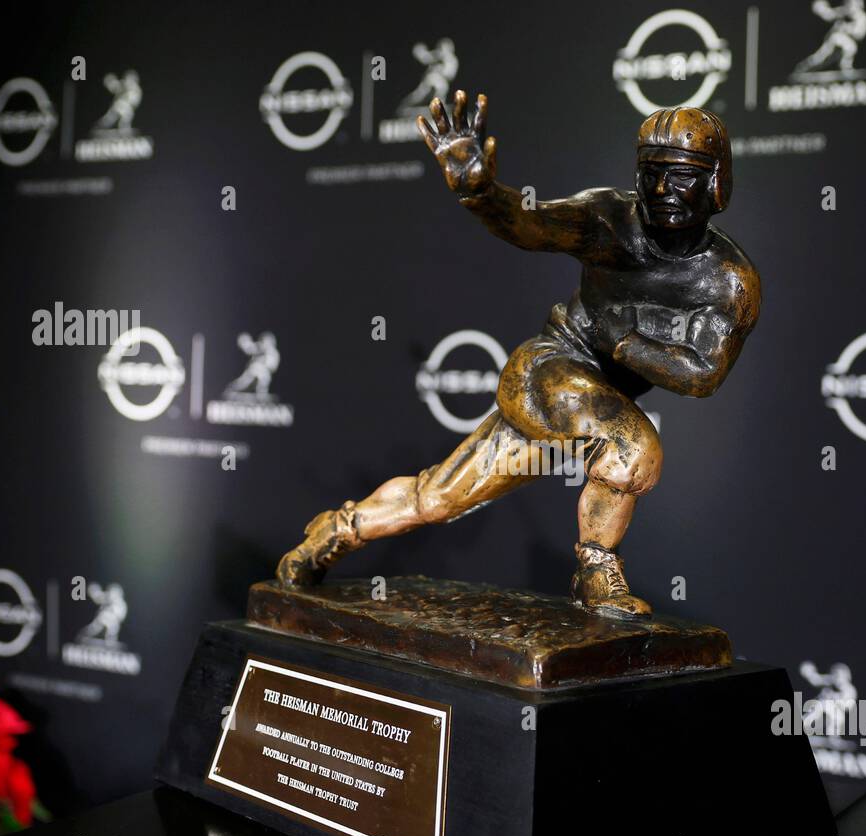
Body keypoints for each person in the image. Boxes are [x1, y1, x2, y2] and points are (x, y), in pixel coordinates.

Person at [278, 93, 760, 620]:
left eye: (683, 175)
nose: (664, 189)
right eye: (651, 173)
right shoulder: (610, 219)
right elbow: (533, 224)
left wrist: (618, 340)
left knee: (438, 498)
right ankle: (596, 571)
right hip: (545, 372)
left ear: (716, 183)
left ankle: (331, 533)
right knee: (633, 446)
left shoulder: (728, 281)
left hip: (586, 410)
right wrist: (482, 193)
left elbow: (702, 375)